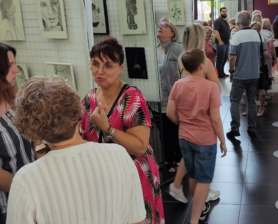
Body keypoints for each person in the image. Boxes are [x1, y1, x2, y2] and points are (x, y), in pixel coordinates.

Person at [7, 76, 146, 224]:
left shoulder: (26, 180)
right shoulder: (119, 156)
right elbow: (137, 220)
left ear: (31, 128)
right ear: (79, 113)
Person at [80, 38, 164, 224]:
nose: (99, 71)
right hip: (104, 177)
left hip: (133, 175)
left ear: (121, 68)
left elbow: (141, 147)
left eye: (108, 65)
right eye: (95, 64)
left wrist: (107, 128)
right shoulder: (89, 98)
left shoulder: (131, 98)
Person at [167, 49, 227, 223]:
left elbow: (171, 113)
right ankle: (194, 219)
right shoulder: (211, 87)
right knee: (204, 180)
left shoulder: (178, 85)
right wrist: (222, 141)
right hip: (205, 141)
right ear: (202, 65)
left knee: (193, 175)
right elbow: (215, 119)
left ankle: (198, 208)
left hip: (184, 138)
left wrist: (185, 124)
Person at [169, 23, 221, 205]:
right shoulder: (203, 62)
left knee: (190, 153)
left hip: (185, 113)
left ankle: (177, 185)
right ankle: (203, 192)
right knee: (203, 155)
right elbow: (216, 86)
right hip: (202, 114)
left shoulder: (181, 60)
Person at [0, 43, 35, 224]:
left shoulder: (12, 99)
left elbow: (33, 141)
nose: (16, 70)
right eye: (9, 65)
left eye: (15, 63)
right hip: (8, 207)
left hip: (30, 197)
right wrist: (30, 191)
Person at [227, 11, 262, 140]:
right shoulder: (258, 34)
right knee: (252, 101)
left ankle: (235, 129)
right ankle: (252, 129)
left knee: (235, 101)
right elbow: (265, 53)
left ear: (238, 22)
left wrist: (231, 71)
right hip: (255, 73)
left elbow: (231, 57)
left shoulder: (237, 36)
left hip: (240, 75)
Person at [156, 17, 183, 172]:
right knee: (162, 130)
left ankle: (178, 159)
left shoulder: (176, 48)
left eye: (164, 25)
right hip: (158, 97)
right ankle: (167, 159)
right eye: (159, 25)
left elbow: (184, 71)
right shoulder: (156, 48)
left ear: (172, 32)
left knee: (174, 129)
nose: (160, 27)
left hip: (173, 97)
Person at [251, 21, 269, 116]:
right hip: (257, 66)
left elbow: (266, 54)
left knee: (260, 88)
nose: (256, 31)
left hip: (259, 66)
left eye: (257, 29)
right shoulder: (260, 37)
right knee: (258, 88)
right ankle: (259, 108)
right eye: (255, 29)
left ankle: (260, 108)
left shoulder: (260, 38)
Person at [213, 7, 231, 78]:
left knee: (225, 57)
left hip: (226, 43)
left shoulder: (225, 21)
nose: (224, 13)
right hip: (221, 43)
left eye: (225, 11)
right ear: (220, 12)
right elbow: (216, 31)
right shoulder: (217, 21)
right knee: (220, 58)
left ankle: (222, 71)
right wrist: (220, 41)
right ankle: (218, 73)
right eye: (223, 11)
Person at [260, 18, 277, 90]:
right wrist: (274, 57)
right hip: (267, 54)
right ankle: (267, 87)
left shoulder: (259, 32)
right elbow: (271, 46)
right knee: (268, 71)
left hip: (259, 55)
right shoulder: (269, 33)